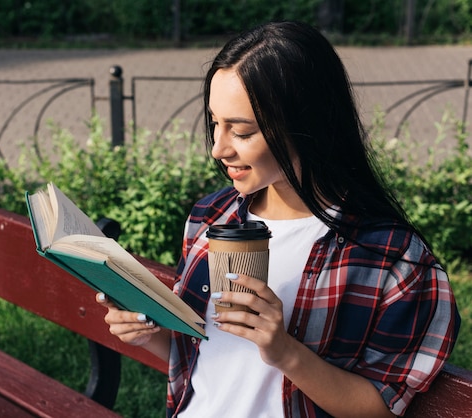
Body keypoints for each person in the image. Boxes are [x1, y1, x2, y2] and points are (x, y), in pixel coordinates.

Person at [97, 21, 460, 417]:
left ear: (307, 126)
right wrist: (147, 333)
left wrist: (286, 351)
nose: (218, 148)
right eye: (215, 123)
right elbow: (206, 355)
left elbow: (383, 409)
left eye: (242, 131)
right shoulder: (210, 218)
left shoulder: (392, 259)